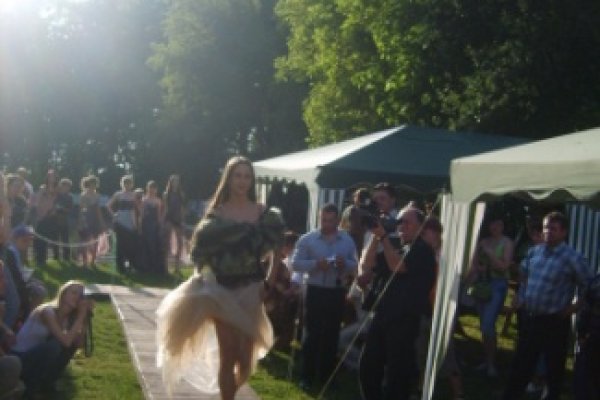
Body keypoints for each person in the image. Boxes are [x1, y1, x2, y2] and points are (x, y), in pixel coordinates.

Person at [156, 156, 285, 400]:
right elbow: (200, 254)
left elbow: (277, 251)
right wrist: (206, 280)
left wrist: (269, 281)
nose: (242, 181)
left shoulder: (263, 214)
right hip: (221, 291)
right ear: (228, 179)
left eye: (247, 176)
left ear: (252, 180)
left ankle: (229, 393)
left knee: (245, 360)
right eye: (237, 176)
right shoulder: (217, 214)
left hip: (252, 289)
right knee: (229, 355)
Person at [502, 211, 594, 400]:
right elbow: (524, 275)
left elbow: (590, 285)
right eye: (545, 228)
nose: (548, 232)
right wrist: (521, 296)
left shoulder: (573, 257)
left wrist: (575, 306)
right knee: (522, 363)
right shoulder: (535, 252)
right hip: (531, 317)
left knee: (554, 368)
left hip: (554, 320)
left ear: (564, 232)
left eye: (553, 229)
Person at [358, 206, 436, 400]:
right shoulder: (396, 246)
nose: (402, 226)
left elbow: (398, 266)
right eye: (400, 221)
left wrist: (384, 237)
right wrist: (376, 237)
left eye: (408, 222)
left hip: (404, 318)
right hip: (383, 314)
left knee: (397, 372)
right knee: (368, 365)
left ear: (421, 227)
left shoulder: (423, 250)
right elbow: (367, 264)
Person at [291, 204, 358, 390]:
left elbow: (355, 264)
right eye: (323, 220)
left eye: (330, 220)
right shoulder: (308, 239)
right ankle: (307, 375)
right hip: (314, 289)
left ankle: (326, 376)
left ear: (337, 220)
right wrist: (315, 264)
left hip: (336, 290)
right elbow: (295, 264)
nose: (326, 224)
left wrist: (345, 264)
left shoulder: (347, 240)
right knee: (312, 333)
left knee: (332, 334)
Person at [11, 280, 94, 399]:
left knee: (66, 346)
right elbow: (65, 341)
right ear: (63, 294)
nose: (77, 297)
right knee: (55, 346)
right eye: (74, 292)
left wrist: (84, 319)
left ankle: (46, 385)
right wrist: (80, 317)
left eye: (80, 295)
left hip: (35, 358)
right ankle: (30, 389)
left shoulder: (67, 318)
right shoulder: (47, 311)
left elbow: (78, 344)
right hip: (19, 359)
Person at [416, 217, 465, 400]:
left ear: (436, 233)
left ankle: (458, 394)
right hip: (425, 308)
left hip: (443, 309)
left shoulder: (447, 254)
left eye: (425, 231)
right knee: (422, 350)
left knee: (446, 352)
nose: (422, 235)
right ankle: (422, 389)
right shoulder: (422, 251)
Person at [467, 214, 513, 377]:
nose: (495, 227)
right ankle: (487, 361)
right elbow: (474, 263)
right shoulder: (483, 241)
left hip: (497, 285)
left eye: (498, 224)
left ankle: (492, 364)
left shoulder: (507, 243)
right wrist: (473, 273)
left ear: (502, 226)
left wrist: (490, 254)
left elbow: (504, 266)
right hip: (482, 285)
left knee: (488, 323)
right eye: (492, 224)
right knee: (484, 325)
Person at [264, 230, 300, 351]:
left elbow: (289, 283)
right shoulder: (282, 262)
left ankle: (280, 340)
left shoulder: (291, 260)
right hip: (276, 296)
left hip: (287, 295)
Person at [108, 175, 139, 273]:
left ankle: (130, 265)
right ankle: (120, 267)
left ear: (131, 184)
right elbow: (108, 205)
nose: (127, 185)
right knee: (120, 244)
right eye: (125, 183)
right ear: (122, 184)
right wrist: (114, 214)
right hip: (120, 221)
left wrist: (136, 223)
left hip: (130, 220)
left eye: (129, 183)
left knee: (130, 244)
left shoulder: (133, 195)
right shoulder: (118, 194)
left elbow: (136, 208)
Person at [30, 170, 58, 266]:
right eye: (50, 176)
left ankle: (50, 259)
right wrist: (38, 211)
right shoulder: (43, 188)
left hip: (51, 217)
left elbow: (57, 201)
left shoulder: (56, 189)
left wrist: (54, 210)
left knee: (50, 238)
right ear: (47, 177)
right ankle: (39, 259)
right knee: (40, 239)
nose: (52, 178)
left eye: (54, 176)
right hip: (41, 216)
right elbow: (37, 201)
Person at [77, 175, 104, 268]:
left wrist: (101, 222)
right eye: (91, 184)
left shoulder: (97, 195)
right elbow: (81, 209)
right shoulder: (83, 195)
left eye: (95, 184)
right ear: (88, 184)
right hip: (86, 219)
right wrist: (80, 221)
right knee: (84, 241)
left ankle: (93, 261)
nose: (93, 186)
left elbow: (98, 210)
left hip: (95, 220)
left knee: (95, 241)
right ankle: (84, 262)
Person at [140, 181, 166, 274]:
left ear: (156, 190)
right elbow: (142, 213)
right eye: (150, 188)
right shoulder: (144, 199)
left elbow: (159, 214)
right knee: (145, 244)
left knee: (154, 244)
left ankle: (153, 266)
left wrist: (160, 224)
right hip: (146, 223)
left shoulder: (158, 200)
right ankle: (145, 266)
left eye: (154, 188)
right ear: (147, 188)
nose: (152, 190)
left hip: (154, 224)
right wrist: (140, 224)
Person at [163, 174, 186, 271]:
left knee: (180, 243)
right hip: (169, 218)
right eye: (173, 181)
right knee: (167, 243)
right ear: (170, 183)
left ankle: (177, 266)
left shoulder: (181, 194)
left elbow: (182, 208)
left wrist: (182, 219)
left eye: (177, 181)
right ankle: (165, 267)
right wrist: (163, 220)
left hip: (178, 219)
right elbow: (165, 208)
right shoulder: (166, 194)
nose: (175, 183)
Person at [53, 178, 74, 261]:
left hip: (65, 220)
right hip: (55, 220)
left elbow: (70, 209)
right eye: (64, 186)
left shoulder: (70, 197)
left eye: (68, 186)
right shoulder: (56, 195)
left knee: (65, 239)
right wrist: (59, 208)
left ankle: (66, 257)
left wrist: (61, 208)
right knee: (55, 239)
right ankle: (56, 257)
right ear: (61, 186)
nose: (66, 188)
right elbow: (53, 206)